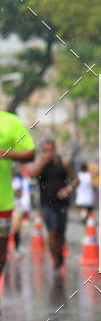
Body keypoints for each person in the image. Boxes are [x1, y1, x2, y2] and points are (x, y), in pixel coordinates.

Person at [29, 139, 78, 271]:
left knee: (61, 234)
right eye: (46, 151)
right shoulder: (41, 164)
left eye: (51, 150)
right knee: (52, 231)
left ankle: (59, 254)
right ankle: (56, 260)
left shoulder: (64, 163)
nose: (49, 153)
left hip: (62, 204)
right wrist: (43, 162)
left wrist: (67, 189)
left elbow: (75, 179)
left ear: (55, 149)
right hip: (46, 204)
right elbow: (31, 174)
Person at [0, 112, 35, 281]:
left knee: (1, 251)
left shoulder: (10, 122)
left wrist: (6, 153)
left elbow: (31, 153)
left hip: (3, 203)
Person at [11, 165, 33, 257]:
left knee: (17, 228)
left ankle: (16, 248)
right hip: (6, 206)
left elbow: (20, 193)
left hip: (18, 207)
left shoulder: (21, 180)